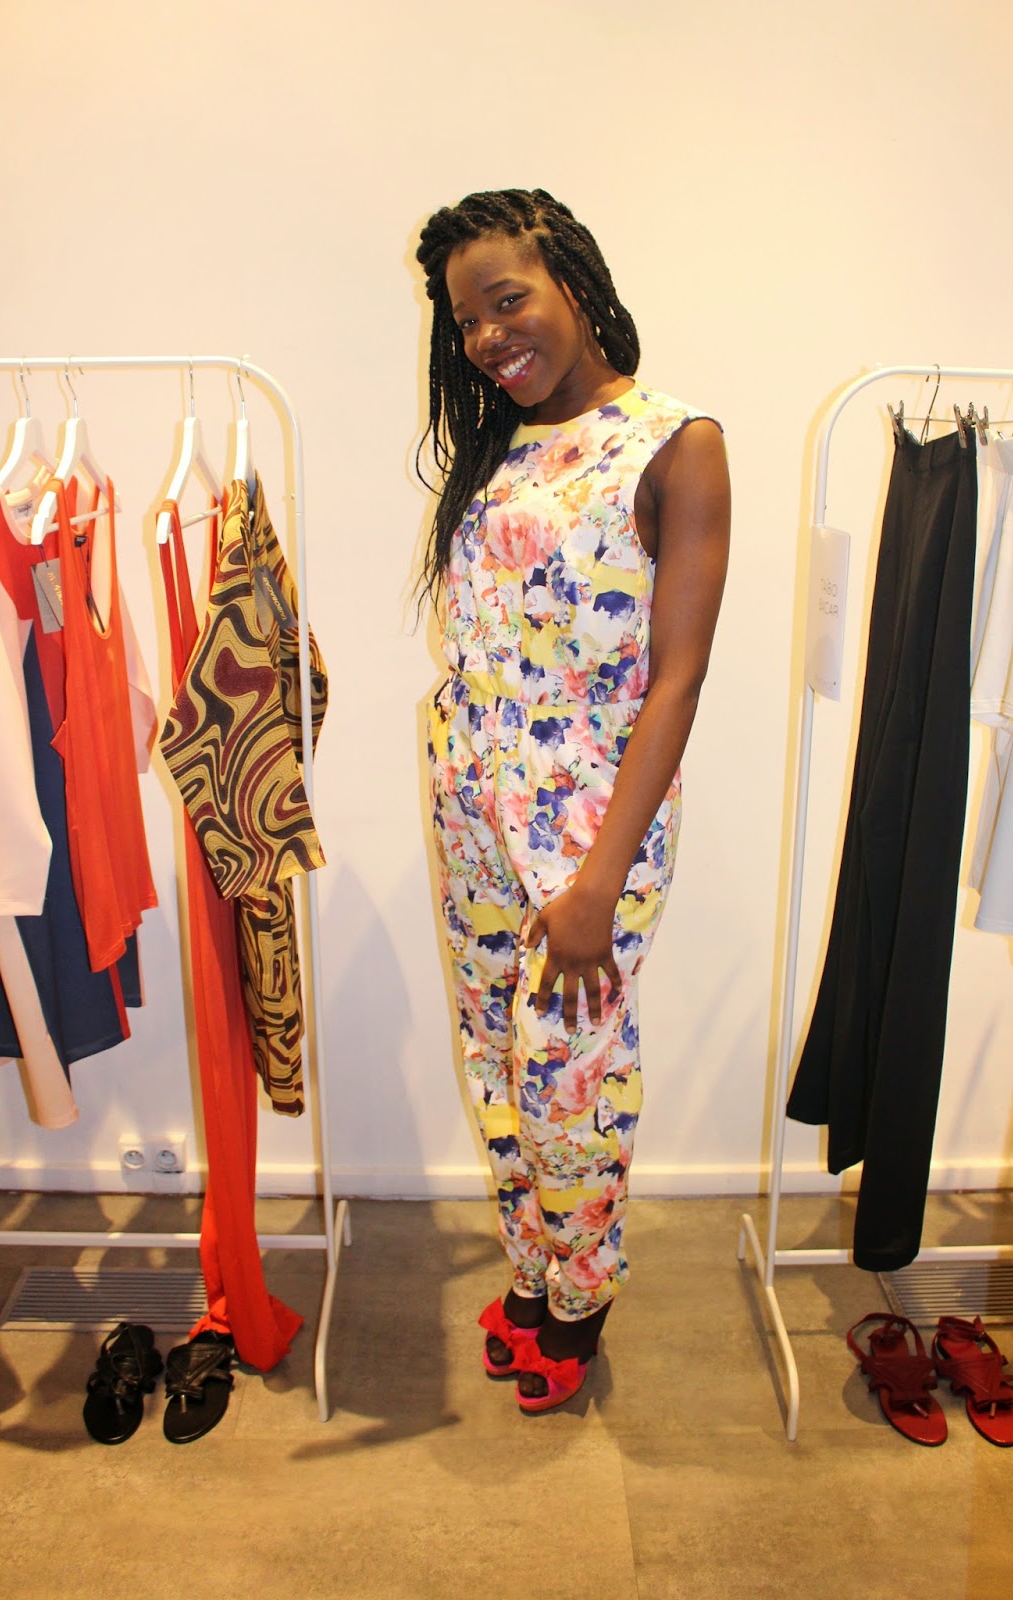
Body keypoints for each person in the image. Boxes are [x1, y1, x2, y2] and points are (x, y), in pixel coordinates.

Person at [416, 188, 730, 1412]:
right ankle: (533, 1266)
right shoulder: (501, 445)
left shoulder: (674, 441)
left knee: (567, 1070)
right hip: (471, 805)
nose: (488, 337)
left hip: (591, 824)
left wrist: (599, 876)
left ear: (574, 284)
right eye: (467, 320)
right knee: (495, 1053)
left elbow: (678, 677)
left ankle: (582, 1295)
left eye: (507, 301)